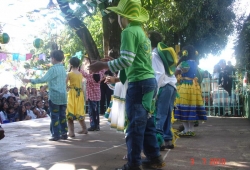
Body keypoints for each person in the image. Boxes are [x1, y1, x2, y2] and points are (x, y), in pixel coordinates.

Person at [88, 0, 165, 169]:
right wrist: (114, 62)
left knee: (135, 126)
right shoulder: (141, 33)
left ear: (123, 17)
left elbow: (127, 61)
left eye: (118, 15)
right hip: (149, 82)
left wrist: (103, 65)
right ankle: (154, 158)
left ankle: (133, 164)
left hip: (139, 84)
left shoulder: (128, 32)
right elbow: (134, 61)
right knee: (147, 124)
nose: (117, 18)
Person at [22, 50, 68, 141]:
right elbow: (58, 81)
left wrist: (30, 80)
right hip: (63, 97)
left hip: (55, 96)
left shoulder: (53, 69)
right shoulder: (63, 69)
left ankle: (56, 134)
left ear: (53, 58)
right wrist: (47, 86)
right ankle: (64, 133)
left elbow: (43, 79)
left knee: (54, 116)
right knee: (62, 115)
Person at [148, 31, 178, 150]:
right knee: (166, 114)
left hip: (164, 86)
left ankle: (158, 141)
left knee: (159, 114)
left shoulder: (154, 54)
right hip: (171, 85)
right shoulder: (161, 52)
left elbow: (159, 75)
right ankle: (168, 140)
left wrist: (155, 92)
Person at [174, 45, 207, 136]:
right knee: (191, 107)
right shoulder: (196, 63)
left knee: (183, 107)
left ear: (185, 53)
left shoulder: (184, 63)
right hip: (194, 87)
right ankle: (190, 129)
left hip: (185, 86)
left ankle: (186, 129)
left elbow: (175, 73)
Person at [66, 57, 88, 137]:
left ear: (71, 64)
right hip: (80, 94)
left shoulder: (69, 74)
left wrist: (68, 88)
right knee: (79, 111)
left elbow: (65, 84)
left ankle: (71, 132)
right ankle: (84, 129)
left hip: (72, 94)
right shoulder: (80, 74)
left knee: (70, 113)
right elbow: (82, 85)